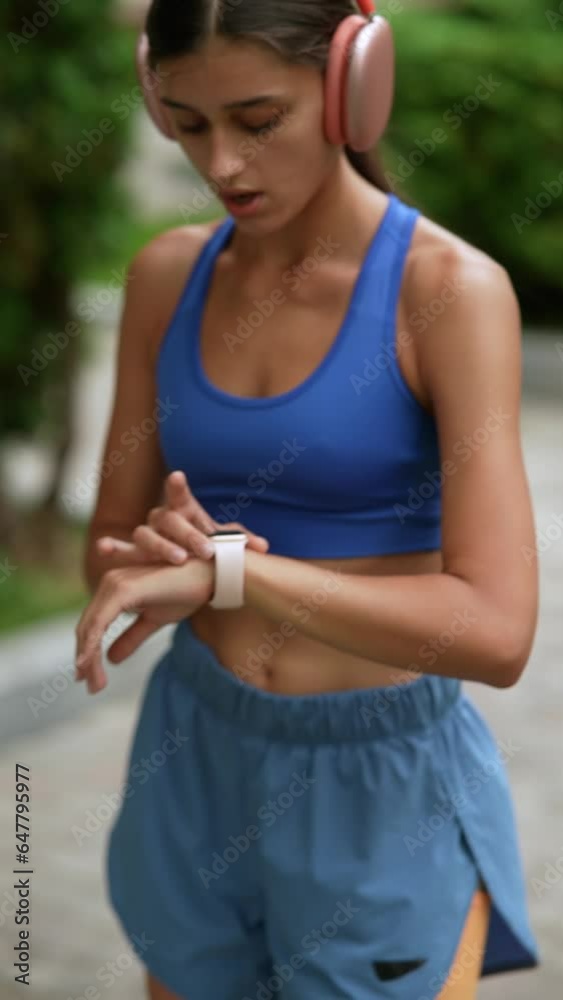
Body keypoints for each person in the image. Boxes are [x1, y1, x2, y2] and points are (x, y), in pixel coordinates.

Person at [75, 1, 540, 998]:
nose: (223, 166)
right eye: (189, 124)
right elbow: (106, 553)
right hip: (196, 748)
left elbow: (496, 632)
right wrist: (149, 563)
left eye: (256, 120)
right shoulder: (167, 276)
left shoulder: (446, 292)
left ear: (350, 91)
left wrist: (234, 575)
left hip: (377, 785)